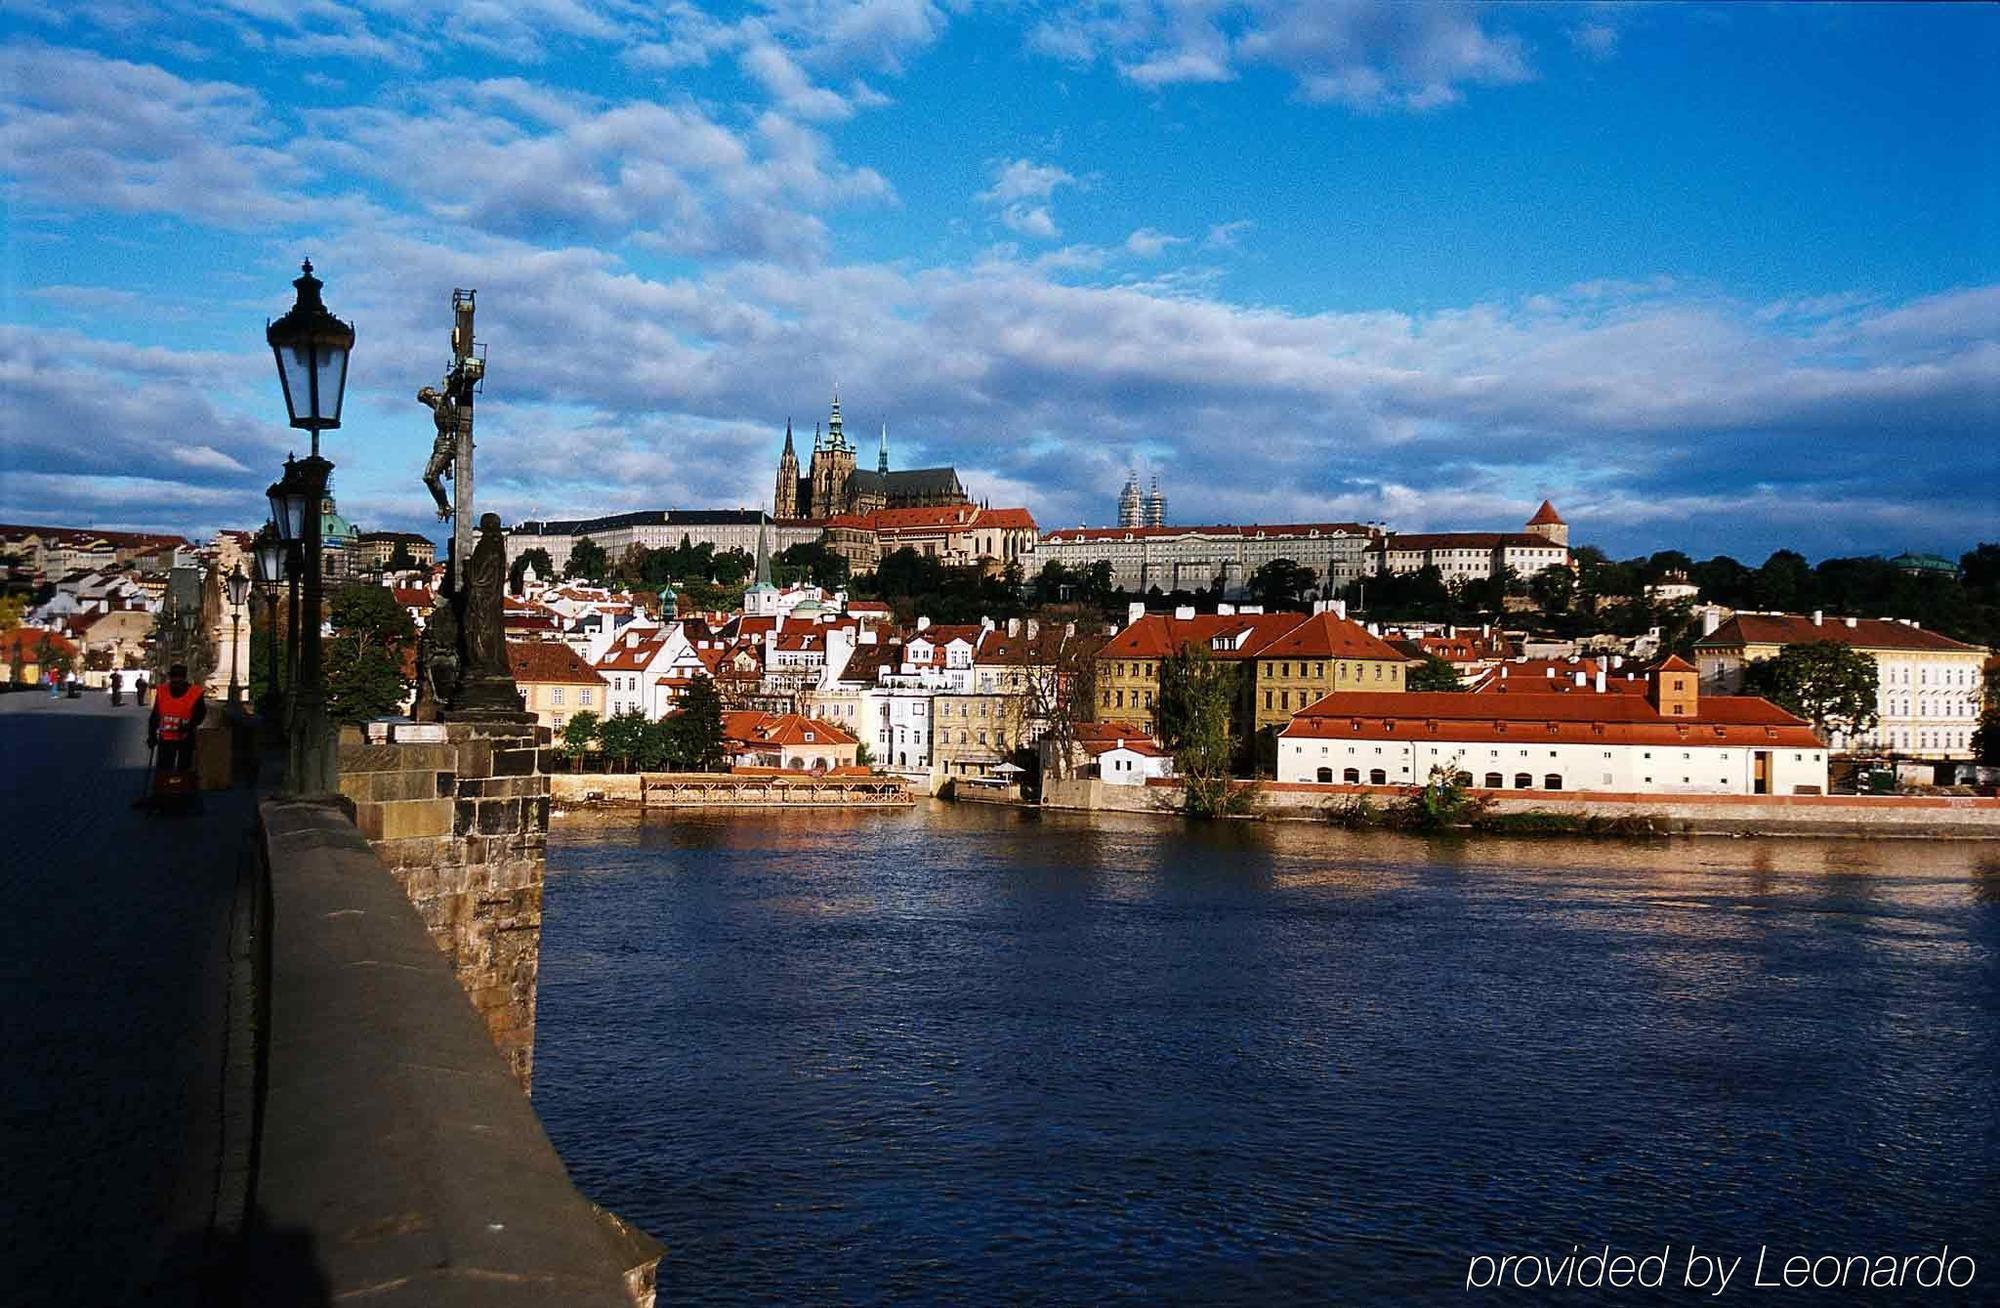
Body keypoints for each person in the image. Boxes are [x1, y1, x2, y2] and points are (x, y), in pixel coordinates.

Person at [148, 663, 207, 796]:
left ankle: (183, 793)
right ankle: (162, 794)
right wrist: (151, 735)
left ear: (184, 679)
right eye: (174, 679)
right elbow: (155, 716)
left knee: (184, 769)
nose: (176, 683)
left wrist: (190, 725)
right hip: (166, 736)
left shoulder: (195, 693)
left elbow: (201, 714)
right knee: (164, 768)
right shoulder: (162, 691)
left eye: (179, 679)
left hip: (185, 736)